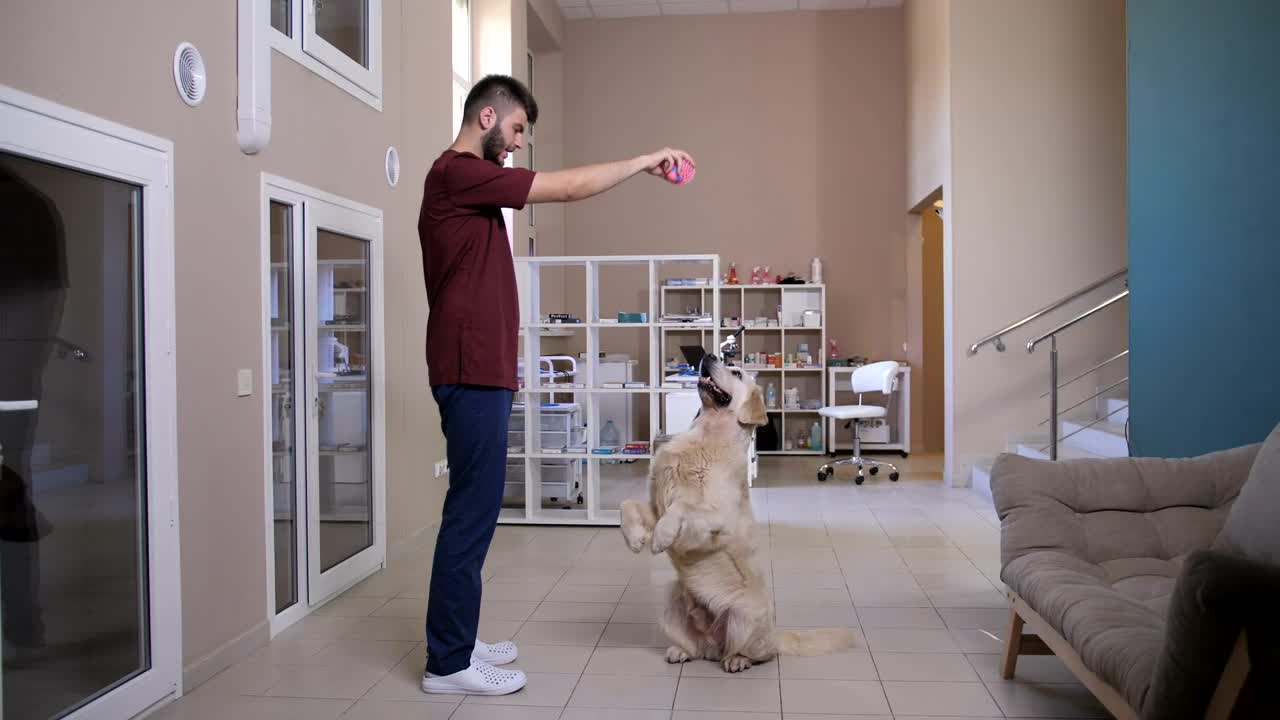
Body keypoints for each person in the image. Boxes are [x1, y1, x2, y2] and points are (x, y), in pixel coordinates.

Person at [417, 74, 695, 696]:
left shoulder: (473, 189)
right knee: (471, 513)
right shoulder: (456, 172)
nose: (517, 145)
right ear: (487, 117)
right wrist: (646, 160)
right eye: (516, 131)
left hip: (478, 368)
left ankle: (456, 637)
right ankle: (448, 662)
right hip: (466, 369)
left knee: (477, 508)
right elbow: (565, 188)